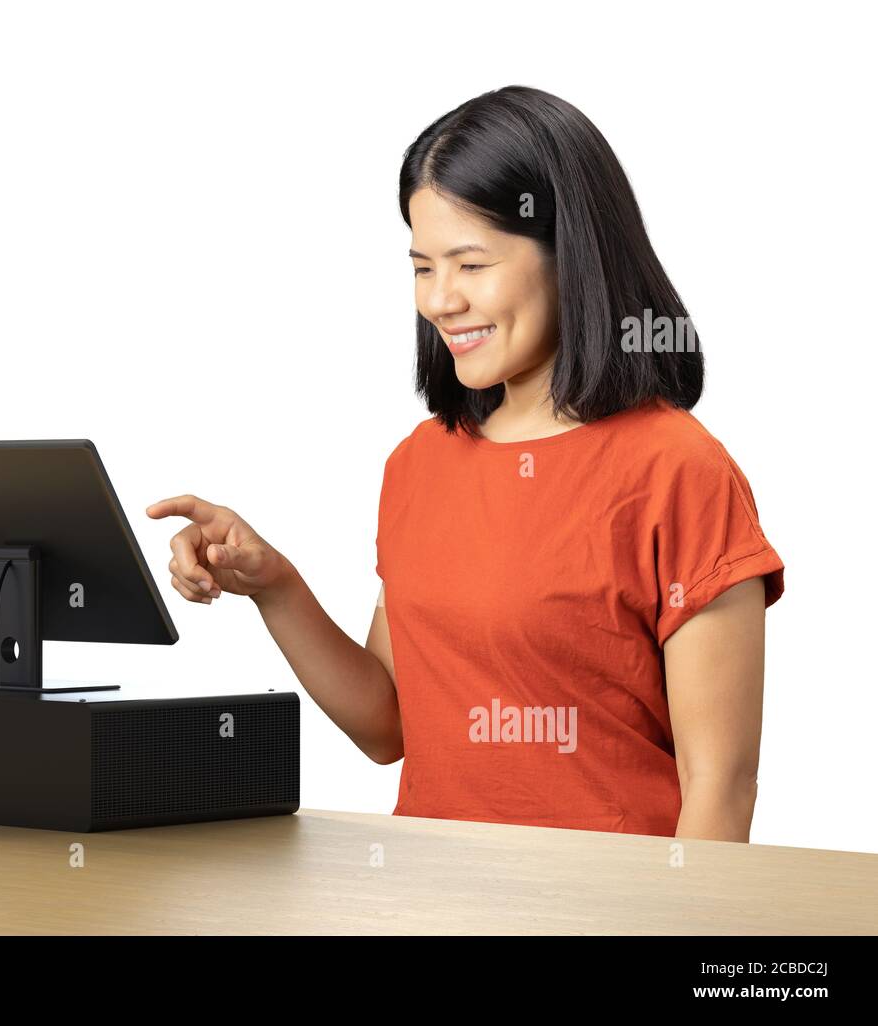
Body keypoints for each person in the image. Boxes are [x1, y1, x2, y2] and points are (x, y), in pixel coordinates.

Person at [146, 85, 784, 842]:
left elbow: (721, 787)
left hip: (614, 910)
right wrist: (273, 585)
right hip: (431, 899)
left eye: (471, 264)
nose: (440, 300)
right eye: (422, 267)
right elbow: (389, 726)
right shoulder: (419, 465)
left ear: (570, 255)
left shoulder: (678, 470)